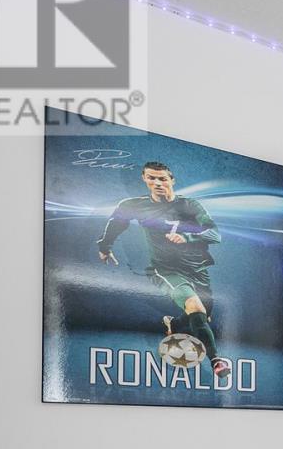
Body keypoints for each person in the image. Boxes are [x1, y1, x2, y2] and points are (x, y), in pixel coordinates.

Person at [96, 160, 230, 379]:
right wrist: (104, 246)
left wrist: (186, 237)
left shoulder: (190, 205)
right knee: (195, 307)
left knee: (202, 315)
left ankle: (173, 323)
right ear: (145, 179)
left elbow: (215, 234)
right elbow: (116, 223)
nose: (157, 183)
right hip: (166, 270)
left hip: (198, 270)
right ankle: (216, 360)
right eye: (152, 178)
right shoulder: (134, 205)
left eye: (162, 178)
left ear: (172, 181)